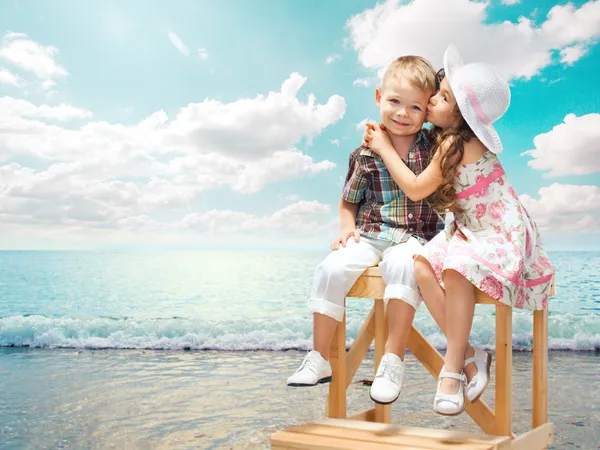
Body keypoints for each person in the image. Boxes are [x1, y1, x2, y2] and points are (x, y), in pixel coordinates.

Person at [362, 45, 554, 415]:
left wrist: (385, 147)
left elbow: (417, 188)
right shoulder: (445, 139)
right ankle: (467, 352)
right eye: (438, 91)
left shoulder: (457, 143)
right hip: (469, 229)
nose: (432, 98)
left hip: (497, 230)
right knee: (421, 264)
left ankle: (452, 370)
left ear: (462, 115)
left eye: (443, 97)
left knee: (456, 268)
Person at [287, 55, 444, 406]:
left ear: (428, 111)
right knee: (331, 267)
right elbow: (348, 201)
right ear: (378, 97)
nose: (403, 113)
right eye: (394, 102)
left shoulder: (434, 146)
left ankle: (392, 361)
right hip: (371, 232)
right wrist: (346, 228)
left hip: (415, 235)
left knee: (404, 267)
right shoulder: (364, 153)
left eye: (415, 107)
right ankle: (319, 357)